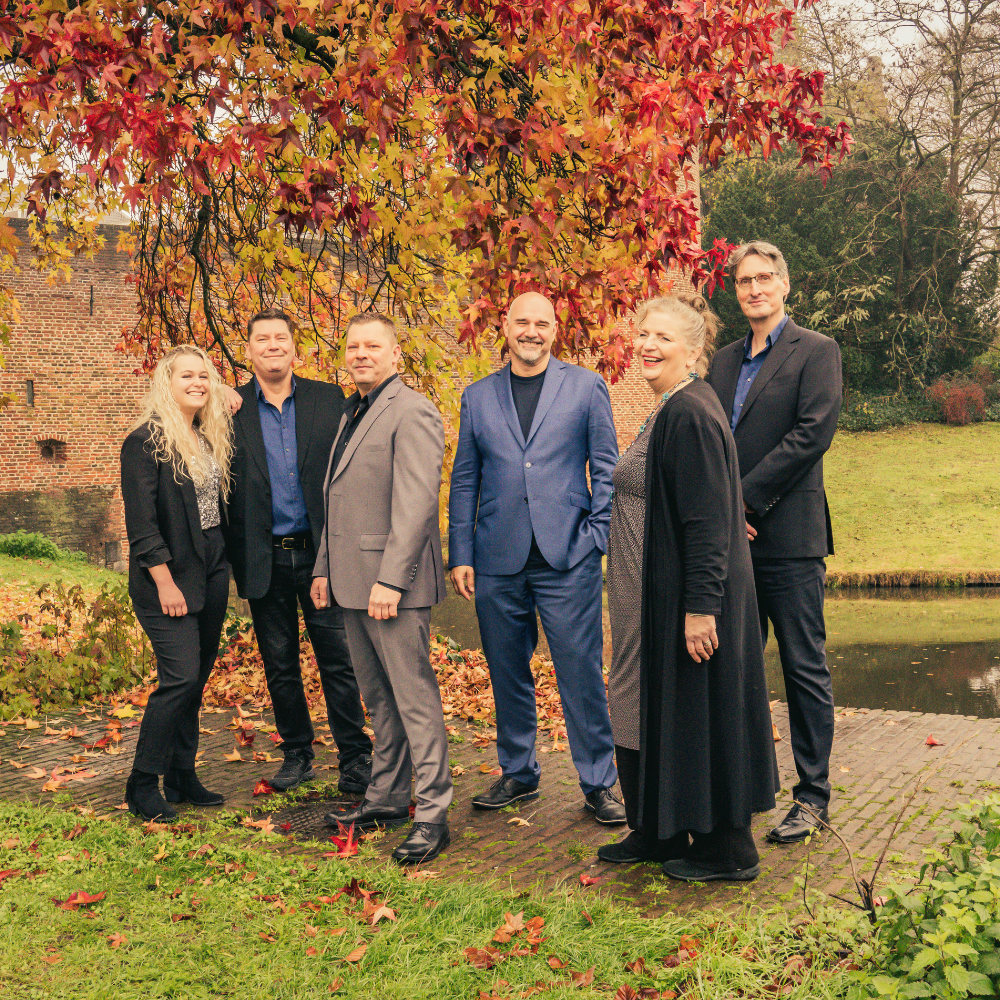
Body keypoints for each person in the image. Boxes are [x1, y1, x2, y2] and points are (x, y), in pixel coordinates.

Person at [600, 294, 779, 881]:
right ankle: (657, 828)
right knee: (654, 708)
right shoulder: (669, 407)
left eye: (663, 338)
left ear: (694, 350)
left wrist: (701, 608)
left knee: (705, 713)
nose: (648, 346)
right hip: (644, 599)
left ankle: (729, 850)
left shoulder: (691, 413)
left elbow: (709, 523)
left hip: (685, 601)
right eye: (643, 334)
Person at [448, 291, 625, 825]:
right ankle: (519, 773)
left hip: (566, 557)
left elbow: (608, 469)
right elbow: (465, 479)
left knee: (580, 672)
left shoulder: (585, 387)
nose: (531, 331)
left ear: (554, 329)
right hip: (496, 557)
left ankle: (599, 781)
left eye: (541, 323)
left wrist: (596, 536)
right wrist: (461, 552)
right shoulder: (478, 397)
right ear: (506, 326)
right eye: (521, 322)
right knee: (506, 671)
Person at [705, 240, 842, 845]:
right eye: (743, 281)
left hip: (787, 537)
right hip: (733, 543)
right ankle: (743, 788)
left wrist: (743, 499)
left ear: (786, 284)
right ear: (734, 293)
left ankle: (811, 797)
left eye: (764, 278)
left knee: (802, 667)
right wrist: (721, 510)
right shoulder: (724, 361)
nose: (754, 289)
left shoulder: (817, 351)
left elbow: (813, 434)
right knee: (735, 667)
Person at [311, 312, 452, 864]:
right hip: (349, 583)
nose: (361, 354)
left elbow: (416, 505)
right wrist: (323, 567)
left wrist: (392, 578)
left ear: (396, 356)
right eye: (352, 347)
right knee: (379, 698)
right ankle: (388, 796)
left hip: (393, 586)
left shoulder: (411, 410)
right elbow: (336, 500)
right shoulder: (354, 411)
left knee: (414, 700)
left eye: (373, 346)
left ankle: (434, 814)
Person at [223, 307, 371, 794]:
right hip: (264, 558)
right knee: (280, 662)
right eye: (261, 339)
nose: (271, 346)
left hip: (320, 557)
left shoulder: (331, 401)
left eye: (280, 338)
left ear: (294, 348)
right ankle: (298, 754)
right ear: (248, 351)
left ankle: (355, 757)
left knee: (338, 659)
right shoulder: (229, 410)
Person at [121, 345, 233, 821]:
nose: (197, 383)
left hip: (211, 572)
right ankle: (142, 783)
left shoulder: (204, 438)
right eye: (186, 376)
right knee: (180, 677)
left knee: (196, 679)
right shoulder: (145, 442)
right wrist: (165, 583)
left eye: (204, 376)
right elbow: (142, 526)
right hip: (167, 579)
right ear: (165, 384)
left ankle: (182, 776)